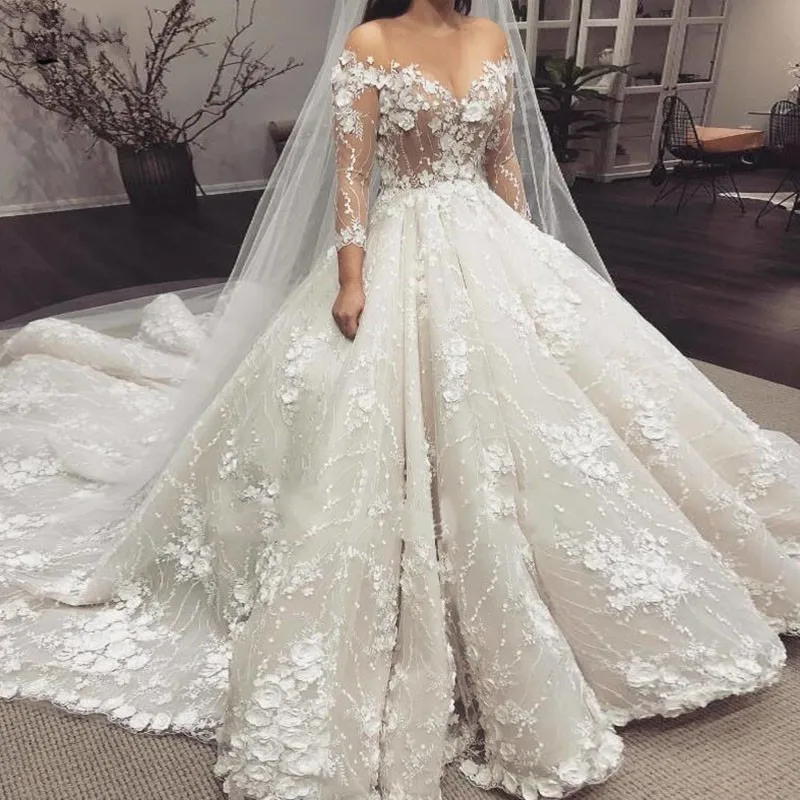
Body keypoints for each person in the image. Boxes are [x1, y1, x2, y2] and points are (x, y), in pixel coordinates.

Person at [0, 0, 798, 798]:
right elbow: (353, 173)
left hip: (491, 242)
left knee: (579, 415)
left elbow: (504, 160)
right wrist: (351, 278)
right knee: (366, 414)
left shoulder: (490, 37)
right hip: (404, 237)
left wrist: (528, 253)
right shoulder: (371, 42)